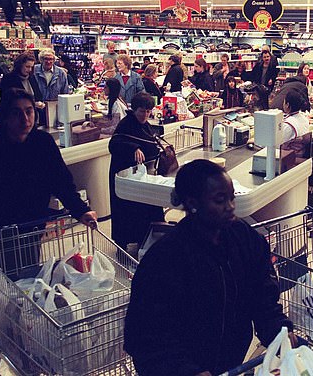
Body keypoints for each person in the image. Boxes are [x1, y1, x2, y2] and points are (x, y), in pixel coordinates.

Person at [124, 159, 295, 376]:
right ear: (193, 203)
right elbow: (145, 336)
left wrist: (279, 331)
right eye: (220, 200)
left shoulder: (243, 238)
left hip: (229, 364)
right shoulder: (165, 260)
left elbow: (261, 294)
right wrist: (185, 371)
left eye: (232, 198)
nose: (230, 207)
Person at [0, 89, 96, 269]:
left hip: (31, 229)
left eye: (29, 111)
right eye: (16, 113)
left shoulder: (43, 143)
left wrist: (81, 210)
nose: (25, 119)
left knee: (27, 283)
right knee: (4, 288)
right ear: (4, 116)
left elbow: (61, 182)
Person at [108, 94, 164, 251]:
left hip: (141, 177)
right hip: (125, 178)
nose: (145, 115)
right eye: (141, 111)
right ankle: (123, 245)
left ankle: (145, 241)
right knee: (126, 213)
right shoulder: (126, 125)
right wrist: (133, 147)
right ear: (134, 110)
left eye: (148, 111)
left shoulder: (145, 125)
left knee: (146, 210)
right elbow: (114, 144)